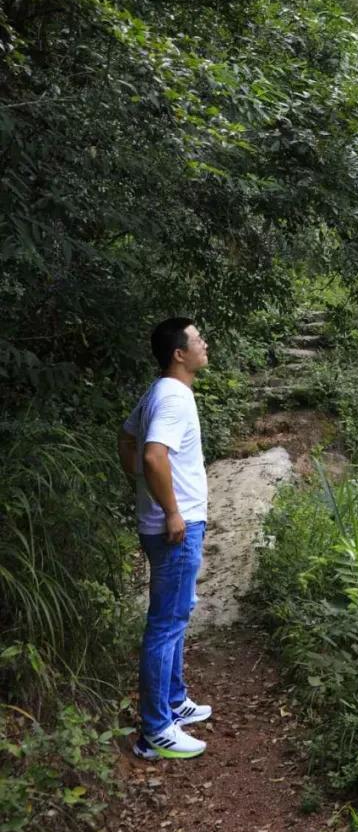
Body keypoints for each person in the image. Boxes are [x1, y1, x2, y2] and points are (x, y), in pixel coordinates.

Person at [118, 317, 213, 759]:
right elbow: (154, 456)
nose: (205, 344)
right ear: (179, 353)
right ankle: (155, 730)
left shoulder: (159, 391)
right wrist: (171, 511)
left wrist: (144, 486)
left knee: (176, 614)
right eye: (197, 340)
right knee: (166, 624)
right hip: (177, 527)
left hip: (167, 524)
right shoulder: (173, 397)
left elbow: (128, 440)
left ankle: (174, 701)